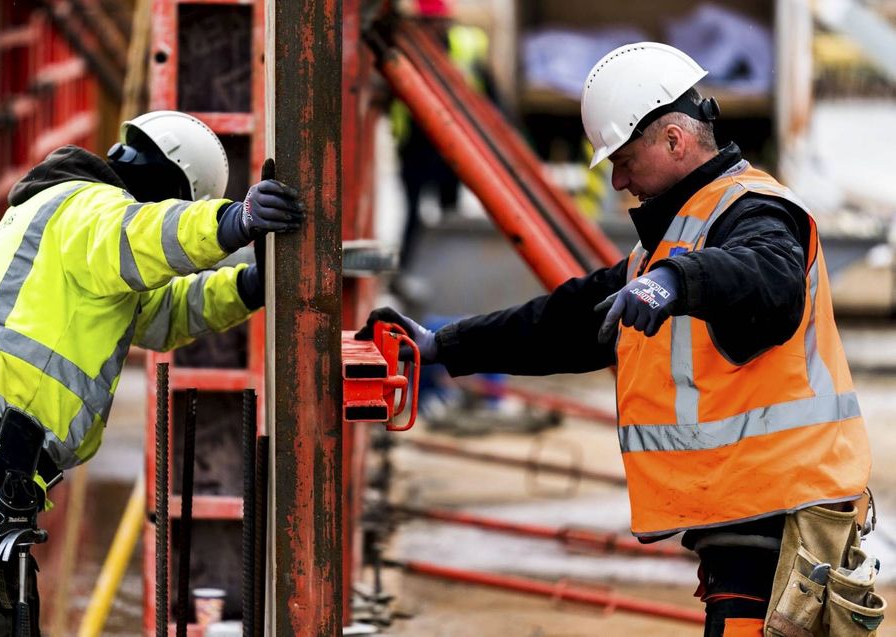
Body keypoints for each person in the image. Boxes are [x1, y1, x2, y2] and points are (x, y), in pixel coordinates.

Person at [360, 43, 881, 636]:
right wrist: (444, 345)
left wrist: (674, 282)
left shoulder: (755, 211)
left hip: (781, 518)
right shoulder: (666, 244)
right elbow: (565, 322)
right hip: (747, 515)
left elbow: (769, 277)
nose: (618, 178)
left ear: (675, 142)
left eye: (626, 158)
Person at [0, 110, 304, 636]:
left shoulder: (76, 226)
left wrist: (250, 286)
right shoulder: (88, 208)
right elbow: (143, 235)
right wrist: (230, 222)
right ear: (170, 185)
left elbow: (163, 313)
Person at [389, 0, 495, 278]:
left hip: (452, 146)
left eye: (432, 22)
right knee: (413, 214)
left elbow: (490, 93)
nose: (429, 29)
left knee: (450, 214)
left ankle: (449, 273)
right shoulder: (405, 50)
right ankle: (405, 273)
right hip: (415, 148)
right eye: (424, 23)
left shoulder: (465, 47)